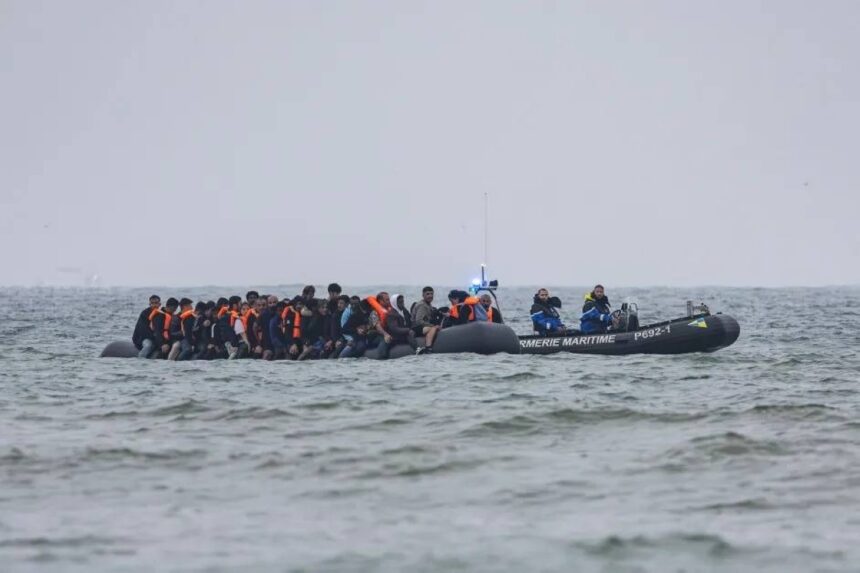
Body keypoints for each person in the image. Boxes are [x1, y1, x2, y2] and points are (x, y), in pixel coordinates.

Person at [365, 292, 416, 359]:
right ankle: (381, 356)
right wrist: (385, 334)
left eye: (389, 299)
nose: (389, 301)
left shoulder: (390, 310)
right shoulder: (374, 313)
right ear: (380, 301)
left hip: (388, 332)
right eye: (387, 300)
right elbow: (378, 326)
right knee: (385, 339)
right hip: (376, 335)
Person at [411, 286, 441, 353]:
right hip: (416, 327)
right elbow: (419, 321)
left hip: (422, 326)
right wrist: (432, 326)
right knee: (433, 328)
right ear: (423, 295)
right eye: (427, 294)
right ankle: (428, 347)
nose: (430, 296)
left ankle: (428, 346)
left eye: (431, 294)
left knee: (433, 327)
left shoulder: (428, 305)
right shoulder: (422, 305)